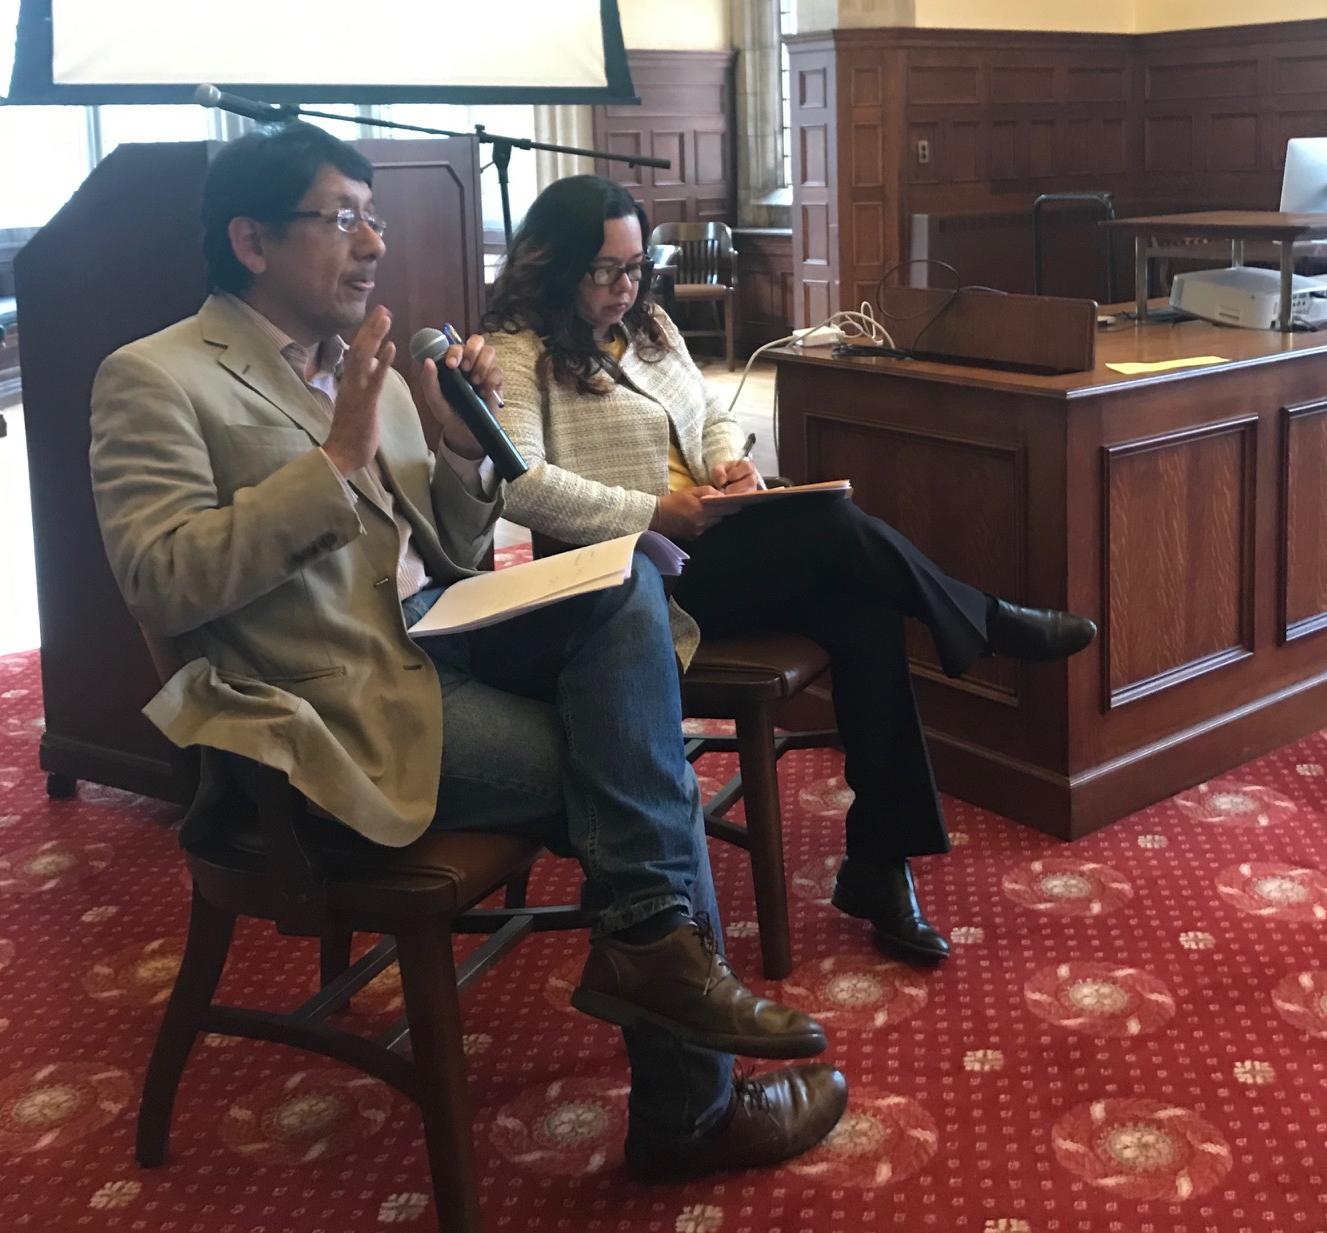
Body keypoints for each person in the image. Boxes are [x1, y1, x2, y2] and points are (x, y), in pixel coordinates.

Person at [88, 124, 847, 1183]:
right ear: (251, 240)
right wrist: (334, 459)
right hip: (327, 704)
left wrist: (449, 443)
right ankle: (685, 1088)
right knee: (638, 767)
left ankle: (653, 959)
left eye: (375, 220)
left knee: (622, 571)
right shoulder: (155, 377)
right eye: (342, 219)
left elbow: (446, 550)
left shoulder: (379, 374)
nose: (371, 246)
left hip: (447, 638)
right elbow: (160, 579)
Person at [484, 175, 1099, 967]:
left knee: (863, 609)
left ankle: (880, 862)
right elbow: (522, 482)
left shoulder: (649, 325)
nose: (625, 287)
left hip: (715, 540)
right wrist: (653, 512)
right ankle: (983, 620)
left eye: (637, 267)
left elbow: (710, 415)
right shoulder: (515, 346)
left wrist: (728, 464)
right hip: (628, 586)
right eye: (605, 271)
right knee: (835, 526)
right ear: (554, 262)